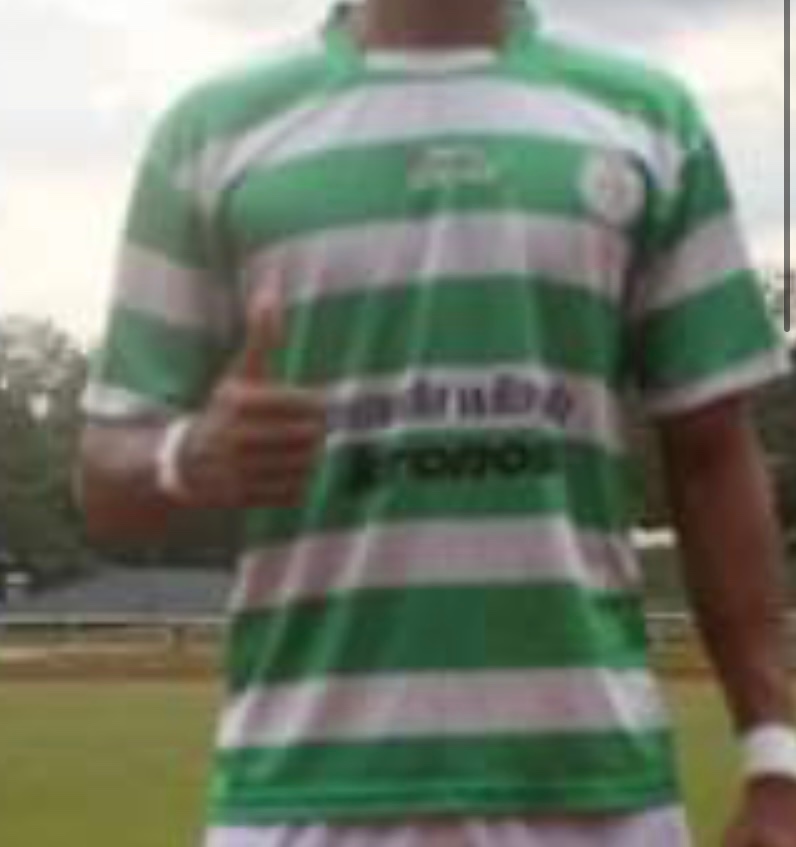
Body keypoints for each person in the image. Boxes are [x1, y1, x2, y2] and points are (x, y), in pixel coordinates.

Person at [77, 1, 796, 845]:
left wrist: (777, 757)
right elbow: (104, 480)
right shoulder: (209, 134)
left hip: (595, 793)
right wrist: (186, 455)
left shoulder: (649, 120)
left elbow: (712, 453)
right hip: (304, 790)